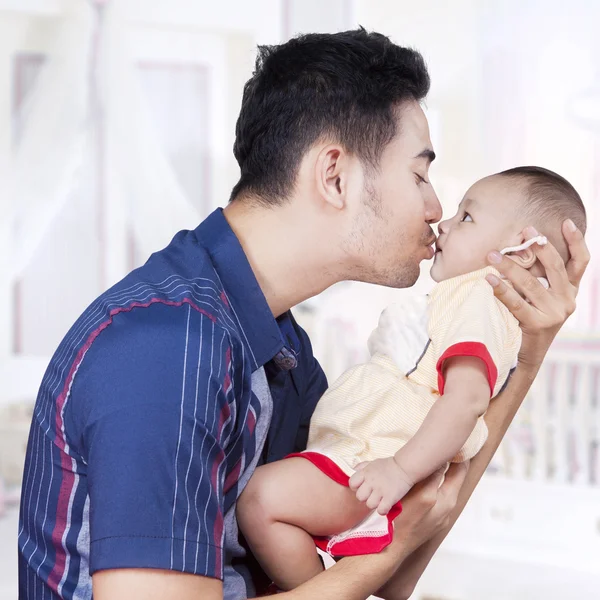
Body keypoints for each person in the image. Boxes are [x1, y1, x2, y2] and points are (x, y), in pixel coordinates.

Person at [17, 29, 589, 600]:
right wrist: (385, 554)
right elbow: (378, 566)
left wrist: (529, 346)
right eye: (419, 175)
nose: (437, 209)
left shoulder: (282, 349)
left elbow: (392, 559)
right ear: (334, 175)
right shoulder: (169, 347)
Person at [236, 166, 587, 592]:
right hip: (368, 456)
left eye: (467, 218)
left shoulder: (478, 295)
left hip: (373, 457)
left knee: (260, 500)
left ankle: (322, 585)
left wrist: (400, 470)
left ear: (522, 251)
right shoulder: (464, 298)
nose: (445, 222)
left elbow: (467, 401)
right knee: (268, 506)